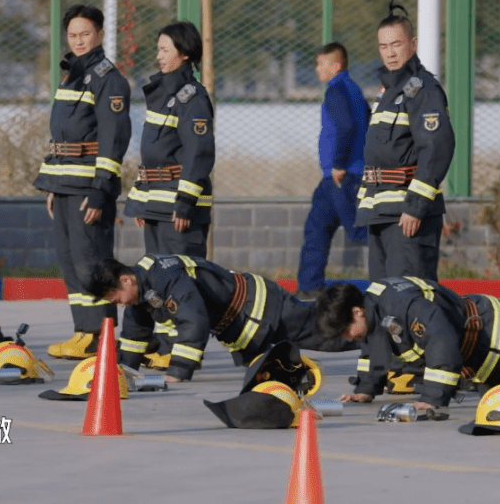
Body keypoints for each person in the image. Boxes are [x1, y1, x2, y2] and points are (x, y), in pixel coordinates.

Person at [313, 278, 500, 411]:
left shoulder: (402, 304)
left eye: (346, 331)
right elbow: (374, 349)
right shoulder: (376, 308)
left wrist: (432, 398)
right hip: (484, 356)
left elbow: (441, 339)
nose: (348, 338)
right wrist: (365, 391)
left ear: (356, 311)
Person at [33, 4, 131, 360]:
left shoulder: (109, 79)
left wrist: (100, 190)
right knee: (70, 260)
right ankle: (82, 330)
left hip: (89, 186)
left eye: (85, 34)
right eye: (72, 35)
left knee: (92, 260)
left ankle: (100, 333)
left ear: (101, 35)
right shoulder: (70, 76)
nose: (78, 41)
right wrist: (52, 183)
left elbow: (113, 139)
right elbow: (61, 135)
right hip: (64, 182)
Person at [86, 255, 356, 383]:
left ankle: (375, 339)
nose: (118, 304)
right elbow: (134, 334)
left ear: (126, 279)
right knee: (267, 374)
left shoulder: (164, 277)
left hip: (264, 308)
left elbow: (193, 321)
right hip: (242, 328)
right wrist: (123, 375)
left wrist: (177, 373)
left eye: (115, 297)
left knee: (325, 332)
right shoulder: (142, 291)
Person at [358, 1, 455, 283]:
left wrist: (415, 207)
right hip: (379, 211)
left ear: (412, 44)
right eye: (383, 46)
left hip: (406, 215)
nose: (390, 53)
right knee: (382, 301)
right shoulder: (388, 92)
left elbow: (437, 149)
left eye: (396, 45)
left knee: (411, 303)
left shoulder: (422, 90)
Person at [124, 21, 214, 258]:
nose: (158, 56)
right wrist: (142, 199)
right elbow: (155, 154)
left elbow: (199, 153)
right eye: (158, 49)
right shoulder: (162, 96)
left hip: (178, 210)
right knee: (158, 279)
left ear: (184, 53)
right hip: (157, 203)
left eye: (165, 50)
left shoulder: (192, 99)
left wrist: (184, 203)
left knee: (183, 280)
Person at [295, 42, 369, 300]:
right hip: (334, 178)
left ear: (336, 66)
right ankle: (309, 287)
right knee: (317, 227)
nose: (317, 69)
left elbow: (347, 127)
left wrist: (339, 163)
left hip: (342, 176)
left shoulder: (336, 90)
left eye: (321, 64)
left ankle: (397, 266)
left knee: (360, 232)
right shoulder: (354, 90)